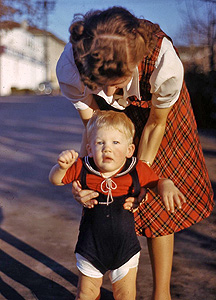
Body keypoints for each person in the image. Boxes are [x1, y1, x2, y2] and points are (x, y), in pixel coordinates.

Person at [56, 6, 214, 299]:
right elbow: (93, 125)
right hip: (107, 119)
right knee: (110, 190)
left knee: (157, 194)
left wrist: (140, 174)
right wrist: (84, 171)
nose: (109, 90)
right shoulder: (71, 64)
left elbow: (157, 123)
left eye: (115, 83)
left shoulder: (162, 59)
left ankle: (162, 294)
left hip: (159, 115)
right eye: (99, 84)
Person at [49, 110, 185, 300]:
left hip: (125, 250)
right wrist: (61, 167)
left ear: (130, 150)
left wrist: (167, 184)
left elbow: (156, 183)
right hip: (91, 247)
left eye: (115, 142)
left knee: (125, 295)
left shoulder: (137, 170)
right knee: (85, 294)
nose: (107, 148)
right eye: (100, 143)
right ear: (89, 149)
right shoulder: (83, 167)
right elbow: (56, 180)